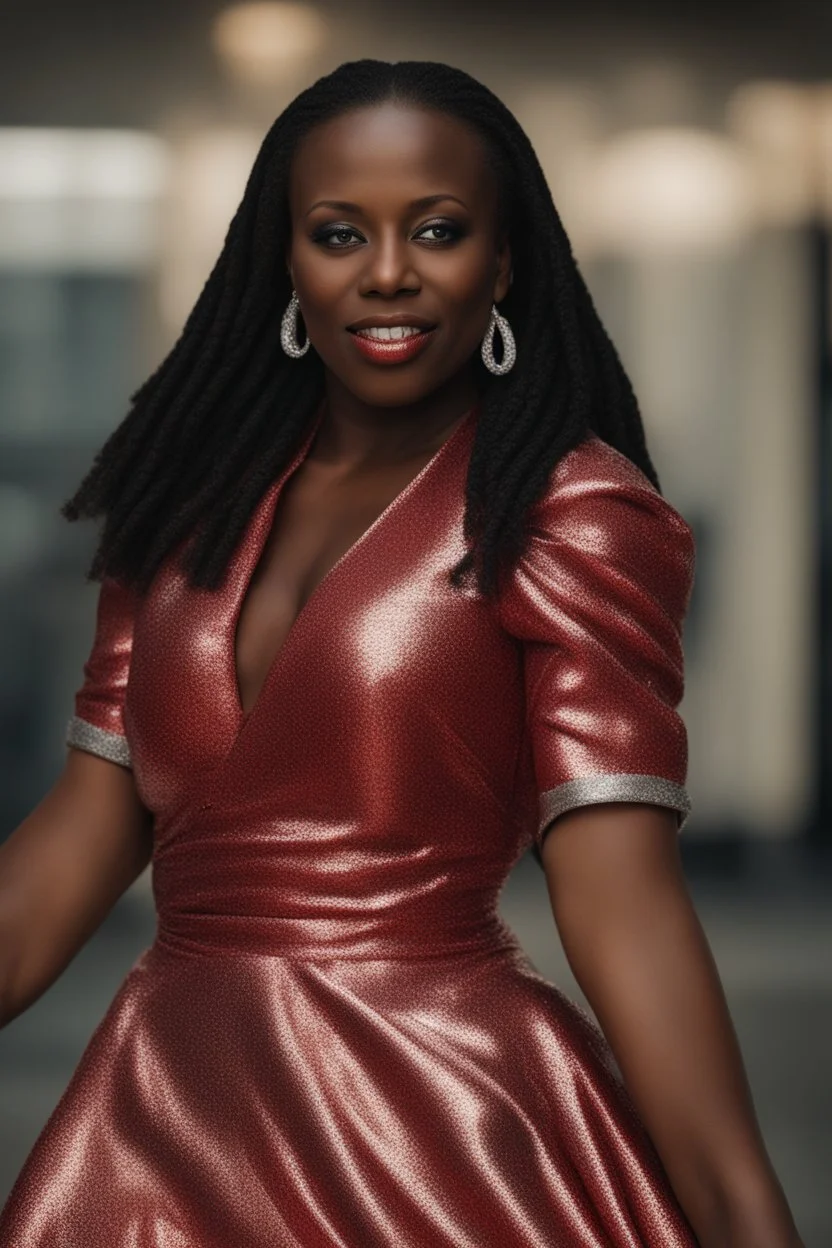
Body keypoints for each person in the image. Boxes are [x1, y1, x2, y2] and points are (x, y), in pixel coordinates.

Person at [0, 58, 802, 1248]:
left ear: (505, 262)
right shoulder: (183, 511)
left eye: (436, 229)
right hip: (158, 1126)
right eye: (338, 232)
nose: (387, 272)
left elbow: (621, 903)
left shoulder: (568, 508)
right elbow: (78, 838)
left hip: (435, 1132)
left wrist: (740, 1212)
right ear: (286, 260)